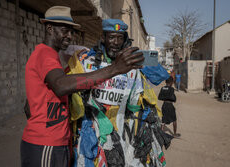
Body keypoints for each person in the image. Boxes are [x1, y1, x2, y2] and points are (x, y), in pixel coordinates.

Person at [21, 6, 144, 167]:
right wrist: (114, 69)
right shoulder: (46, 54)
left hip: (58, 141)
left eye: (71, 32)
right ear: (49, 29)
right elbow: (61, 85)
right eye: (65, 31)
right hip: (46, 143)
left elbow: (29, 105)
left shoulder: (53, 57)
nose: (70, 36)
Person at [68, 19, 169, 167]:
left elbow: (134, 105)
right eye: (111, 37)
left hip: (120, 135)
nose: (115, 42)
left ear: (125, 40)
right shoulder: (86, 62)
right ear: (103, 38)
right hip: (90, 135)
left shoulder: (133, 69)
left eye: (120, 38)